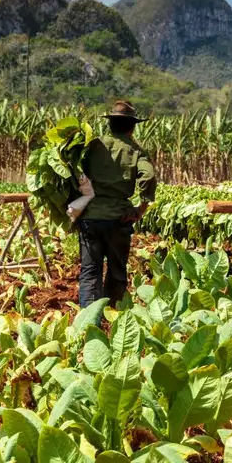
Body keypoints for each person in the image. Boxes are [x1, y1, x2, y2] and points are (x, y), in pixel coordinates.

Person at [78, 100, 157, 309]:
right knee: (116, 272)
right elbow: (148, 176)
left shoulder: (93, 146)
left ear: (110, 124)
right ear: (132, 126)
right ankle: (112, 320)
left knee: (89, 272)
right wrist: (141, 208)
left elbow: (77, 174)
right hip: (118, 220)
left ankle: (88, 323)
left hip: (90, 217)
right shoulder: (136, 150)